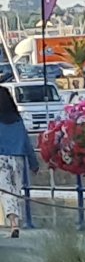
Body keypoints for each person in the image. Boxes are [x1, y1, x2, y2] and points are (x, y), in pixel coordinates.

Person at [0, 89, 40, 238]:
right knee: (16, 191)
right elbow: (26, 143)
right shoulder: (17, 120)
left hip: (1, 158)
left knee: (5, 191)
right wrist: (33, 163)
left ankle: (13, 223)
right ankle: (15, 223)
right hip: (18, 158)